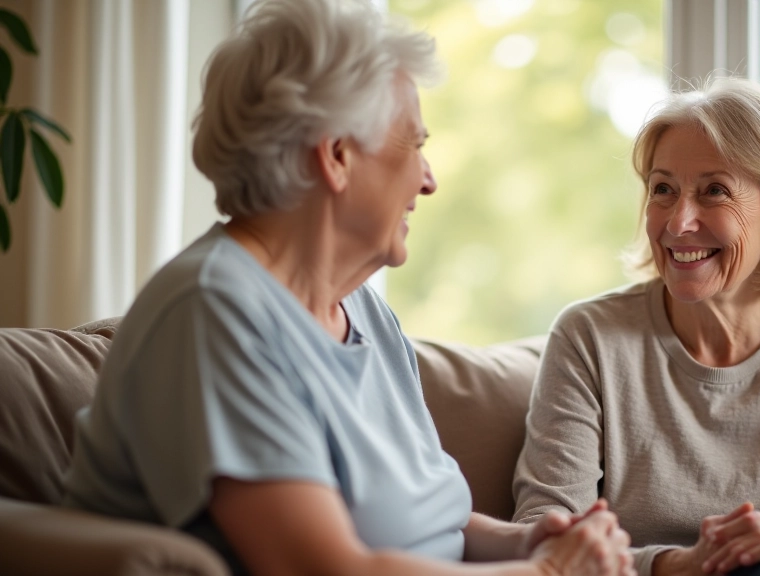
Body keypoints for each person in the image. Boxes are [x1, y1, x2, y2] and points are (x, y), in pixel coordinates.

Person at [61, 1, 635, 575]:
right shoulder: (213, 313)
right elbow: (323, 568)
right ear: (336, 156)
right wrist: (552, 571)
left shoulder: (363, 310)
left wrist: (531, 543)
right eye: (415, 145)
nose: (429, 179)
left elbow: (442, 526)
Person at [512, 77, 760, 576]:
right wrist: (680, 565)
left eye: (714, 191)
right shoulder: (589, 338)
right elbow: (544, 535)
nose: (679, 221)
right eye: (663, 189)